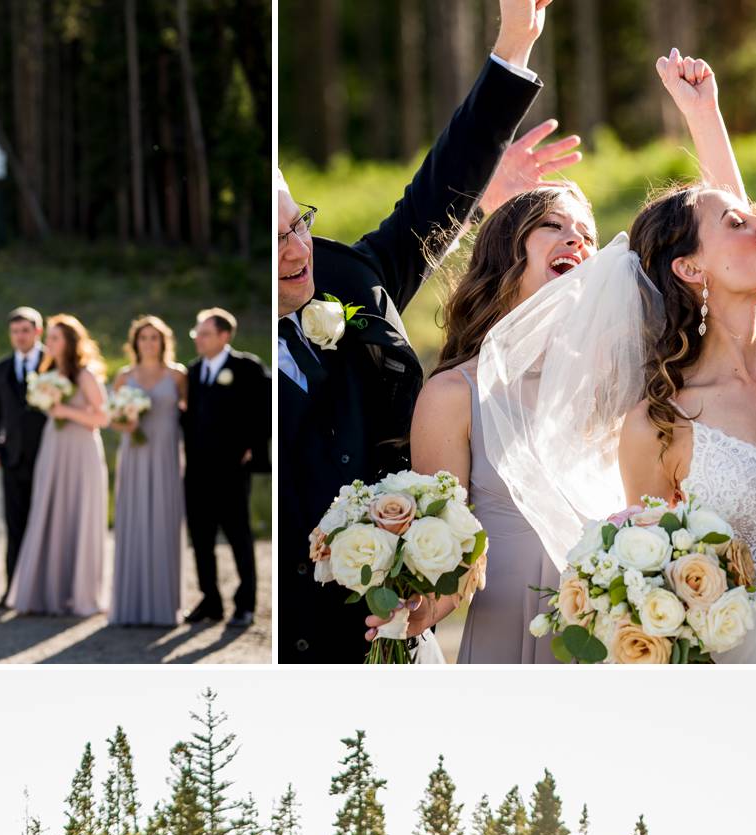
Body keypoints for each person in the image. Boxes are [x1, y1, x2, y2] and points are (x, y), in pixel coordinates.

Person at [278, 0, 546, 661]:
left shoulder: (351, 275)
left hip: (401, 627)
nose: (296, 250)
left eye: (298, 223)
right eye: (273, 242)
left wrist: (513, 45)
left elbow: (436, 196)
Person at [410, 180, 598, 661]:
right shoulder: (454, 395)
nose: (576, 239)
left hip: (609, 630)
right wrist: (411, 608)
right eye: (553, 225)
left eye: (587, 235)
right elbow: (442, 558)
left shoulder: (615, 388)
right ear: (505, 257)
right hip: (508, 634)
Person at [6, 313, 111, 618]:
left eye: (54, 337)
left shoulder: (85, 375)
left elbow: (102, 418)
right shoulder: (46, 372)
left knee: (79, 513)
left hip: (81, 450)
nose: (48, 342)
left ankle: (80, 593)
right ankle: (48, 591)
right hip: (54, 447)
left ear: (69, 342)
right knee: (51, 511)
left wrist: (64, 409)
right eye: (48, 336)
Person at [182, 308, 269, 625]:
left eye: (205, 333)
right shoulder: (192, 372)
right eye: (197, 333)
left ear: (224, 335)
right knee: (201, 539)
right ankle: (211, 601)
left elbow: (266, 410)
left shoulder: (246, 367)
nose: (198, 339)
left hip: (232, 471)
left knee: (238, 537)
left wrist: (253, 449)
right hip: (196, 471)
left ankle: (245, 604)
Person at [107, 314, 189, 628]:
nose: (149, 343)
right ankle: (130, 606)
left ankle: (163, 607)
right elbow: (112, 418)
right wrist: (124, 421)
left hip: (167, 455)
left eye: (155, 337)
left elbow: (191, 416)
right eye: (143, 338)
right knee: (133, 520)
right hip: (135, 454)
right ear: (135, 343)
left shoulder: (178, 375)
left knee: (164, 521)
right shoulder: (124, 376)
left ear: (164, 341)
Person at [0, 307, 48, 604]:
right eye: (15, 331)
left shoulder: (54, 364)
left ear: (38, 332)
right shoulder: (0, 368)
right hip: (13, 459)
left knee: (47, 522)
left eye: (26, 330)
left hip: (48, 456)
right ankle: (13, 590)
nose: (20, 336)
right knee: (15, 524)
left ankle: (45, 590)